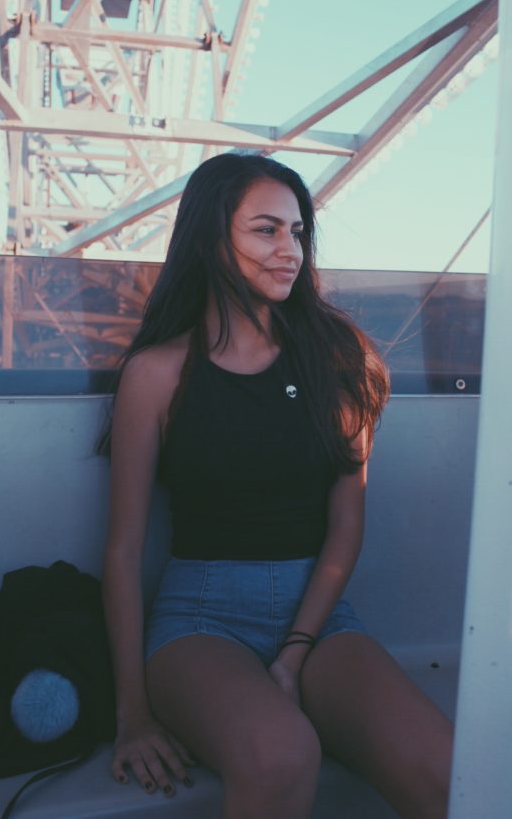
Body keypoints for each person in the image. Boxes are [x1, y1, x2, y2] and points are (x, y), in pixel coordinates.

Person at [101, 152, 453, 819]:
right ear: (211, 238)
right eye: (266, 230)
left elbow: (346, 529)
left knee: (445, 770)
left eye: (297, 232)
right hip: (199, 620)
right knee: (282, 755)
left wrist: (295, 652)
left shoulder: (343, 361)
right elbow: (121, 551)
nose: (288, 249)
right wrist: (133, 715)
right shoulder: (157, 375)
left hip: (319, 616)